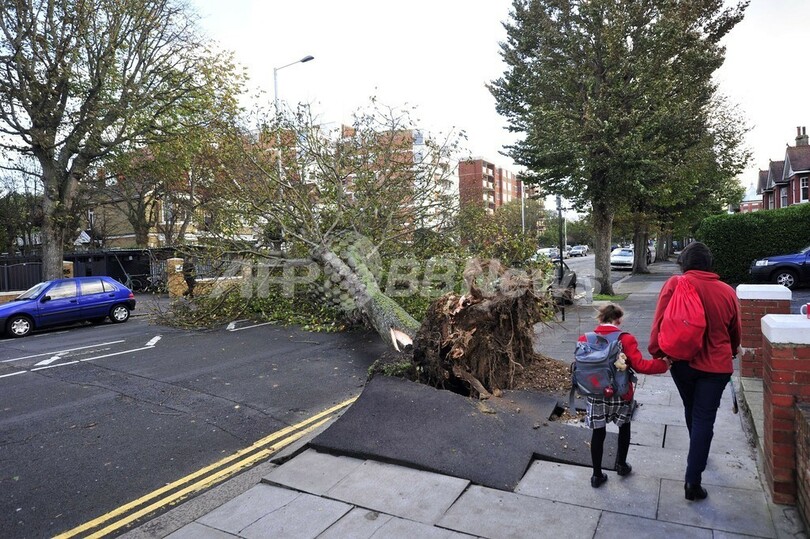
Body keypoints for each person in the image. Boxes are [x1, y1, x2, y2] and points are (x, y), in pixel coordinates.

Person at [649, 241, 741, 501]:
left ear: (684, 263)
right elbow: (735, 331)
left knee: (691, 408)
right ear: (709, 264)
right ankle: (693, 481)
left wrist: (657, 352)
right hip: (716, 367)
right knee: (704, 417)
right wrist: (732, 350)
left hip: (682, 363)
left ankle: (696, 451)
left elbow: (659, 321)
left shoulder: (675, 285)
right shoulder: (726, 291)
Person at [583, 303, 670, 488]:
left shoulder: (586, 337)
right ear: (619, 320)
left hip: (596, 392)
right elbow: (641, 366)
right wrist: (664, 364)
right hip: (620, 393)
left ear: (600, 319)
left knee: (598, 432)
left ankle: (596, 475)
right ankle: (621, 465)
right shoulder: (626, 339)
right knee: (624, 427)